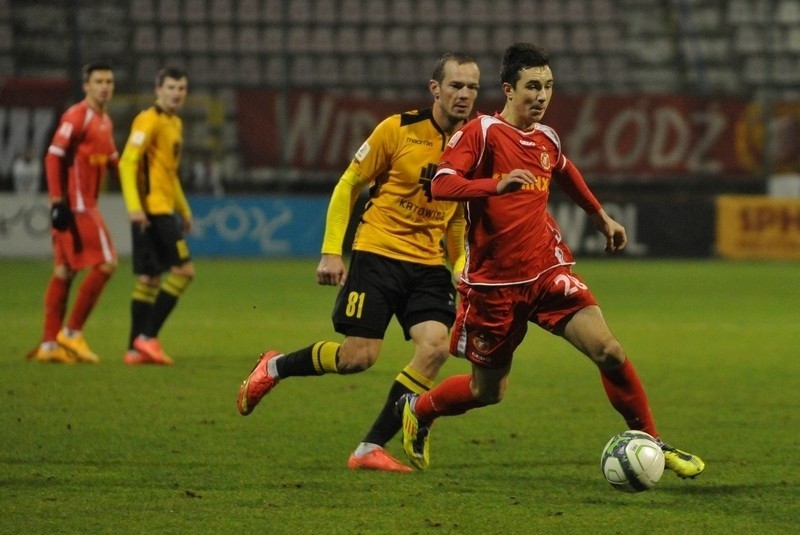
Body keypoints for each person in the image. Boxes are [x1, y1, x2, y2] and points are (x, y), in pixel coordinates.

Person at [396, 43, 705, 480]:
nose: (541, 96)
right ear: (508, 89)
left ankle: (653, 441)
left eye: (548, 87)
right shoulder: (481, 133)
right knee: (488, 391)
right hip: (493, 286)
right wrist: (495, 185)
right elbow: (442, 185)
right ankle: (420, 409)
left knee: (608, 350)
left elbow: (564, 170)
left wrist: (600, 217)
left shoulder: (547, 137)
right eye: (532, 87)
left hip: (547, 271)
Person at [236, 53, 481, 473]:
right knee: (358, 358)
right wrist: (332, 249)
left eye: (472, 87)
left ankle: (369, 448)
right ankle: (274, 367)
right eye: (456, 85)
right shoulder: (396, 130)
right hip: (378, 252)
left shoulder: (475, 143)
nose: (464, 94)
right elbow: (349, 184)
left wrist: (459, 263)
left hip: (426, 264)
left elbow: (457, 214)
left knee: (437, 347)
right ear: (435, 88)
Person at [26, 61, 119, 364]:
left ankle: (49, 345)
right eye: (99, 81)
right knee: (107, 263)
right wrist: (56, 200)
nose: (105, 86)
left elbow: (114, 161)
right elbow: (53, 156)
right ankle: (72, 332)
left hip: (78, 205)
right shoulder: (77, 116)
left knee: (64, 272)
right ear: (86, 86)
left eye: (109, 81)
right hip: (76, 206)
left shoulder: (105, 121)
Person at [118, 66, 193, 366]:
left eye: (181, 88)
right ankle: (147, 337)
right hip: (151, 210)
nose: (176, 93)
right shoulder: (147, 121)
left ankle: (134, 350)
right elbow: (127, 162)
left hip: (162, 209)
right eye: (171, 88)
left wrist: (183, 209)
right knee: (184, 271)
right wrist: (135, 206)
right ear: (158, 89)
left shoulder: (174, 124)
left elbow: (169, 174)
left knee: (150, 278)